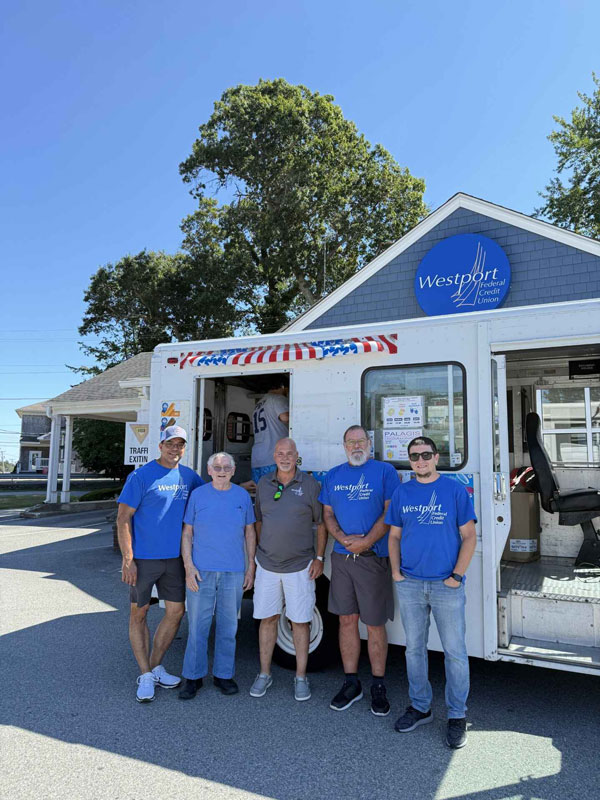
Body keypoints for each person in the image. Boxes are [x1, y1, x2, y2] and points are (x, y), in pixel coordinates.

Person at [386, 436, 477, 749]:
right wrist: (396, 572)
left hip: (445, 585)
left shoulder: (454, 491)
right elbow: (394, 536)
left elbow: (469, 537)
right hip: (410, 583)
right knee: (414, 649)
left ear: (436, 457)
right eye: (414, 456)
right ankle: (420, 707)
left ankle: (456, 715)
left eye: (426, 455)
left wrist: (456, 576)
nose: (420, 461)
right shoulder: (402, 492)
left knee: (454, 651)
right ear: (409, 461)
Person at [117, 426, 203, 703]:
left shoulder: (189, 476)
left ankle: (154, 666)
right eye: (170, 444)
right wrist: (128, 559)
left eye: (180, 444)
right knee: (139, 615)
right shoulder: (140, 476)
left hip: (175, 559)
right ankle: (144, 674)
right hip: (143, 560)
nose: (174, 449)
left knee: (176, 613)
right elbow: (123, 519)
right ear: (160, 446)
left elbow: (210, 496)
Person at [319, 425, 399, 716]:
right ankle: (351, 682)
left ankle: (378, 684)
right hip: (341, 559)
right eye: (350, 441)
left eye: (360, 441)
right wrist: (341, 539)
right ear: (344, 445)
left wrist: (365, 541)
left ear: (369, 443)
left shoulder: (385, 471)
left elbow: (390, 511)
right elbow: (327, 513)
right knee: (346, 621)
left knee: (375, 624)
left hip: (373, 558)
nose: (356, 446)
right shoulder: (334, 475)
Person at [250, 438, 326, 702]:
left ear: (297, 456)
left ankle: (301, 677)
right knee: (267, 619)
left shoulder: (310, 485)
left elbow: (321, 524)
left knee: (300, 621)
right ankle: (264, 673)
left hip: (300, 566)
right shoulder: (263, 484)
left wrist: (319, 558)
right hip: (267, 565)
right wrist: (260, 552)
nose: (284, 457)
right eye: (280, 453)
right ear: (274, 455)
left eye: (289, 453)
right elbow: (259, 520)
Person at [178, 452, 257, 700]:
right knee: (198, 627)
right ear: (209, 471)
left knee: (228, 626)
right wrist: (189, 567)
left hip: (233, 570)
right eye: (217, 467)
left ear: (233, 471)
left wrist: (250, 567)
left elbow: (250, 533)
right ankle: (193, 677)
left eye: (226, 467)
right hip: (201, 572)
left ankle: (224, 675)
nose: (222, 470)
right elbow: (187, 533)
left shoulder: (242, 496)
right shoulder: (198, 495)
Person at [251, 376, 289, 484]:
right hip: (273, 457)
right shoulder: (277, 398)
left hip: (257, 458)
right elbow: (285, 417)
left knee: (260, 494)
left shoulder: (259, 403)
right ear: (282, 386)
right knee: (276, 495)